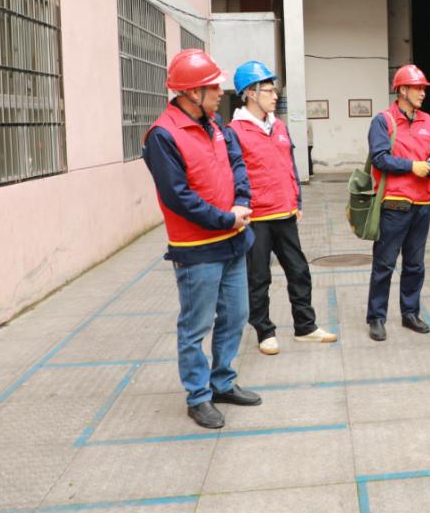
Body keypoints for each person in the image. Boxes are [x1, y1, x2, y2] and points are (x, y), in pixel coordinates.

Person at [142, 49, 261, 429]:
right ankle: (198, 396)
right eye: (214, 87)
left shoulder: (216, 125)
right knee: (196, 326)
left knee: (236, 316)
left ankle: (222, 382)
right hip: (197, 250)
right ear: (193, 92)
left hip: (233, 240)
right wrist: (225, 218)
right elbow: (177, 196)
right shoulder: (163, 136)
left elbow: (237, 164)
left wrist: (241, 201)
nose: (221, 92)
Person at [230, 60, 337, 356]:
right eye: (268, 90)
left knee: (299, 271)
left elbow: (290, 165)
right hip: (257, 218)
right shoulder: (234, 131)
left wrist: (296, 200)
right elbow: (234, 176)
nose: (275, 95)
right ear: (250, 93)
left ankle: (305, 327)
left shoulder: (278, 126)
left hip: (285, 213)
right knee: (258, 278)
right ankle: (265, 332)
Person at [365, 64, 430, 342]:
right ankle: (376, 317)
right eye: (418, 88)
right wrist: (412, 166)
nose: (423, 93)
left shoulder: (427, 120)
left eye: (423, 88)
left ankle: (410, 313)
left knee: (415, 264)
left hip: (423, 204)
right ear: (402, 90)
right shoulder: (383, 121)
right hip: (394, 204)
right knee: (384, 264)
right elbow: (379, 158)